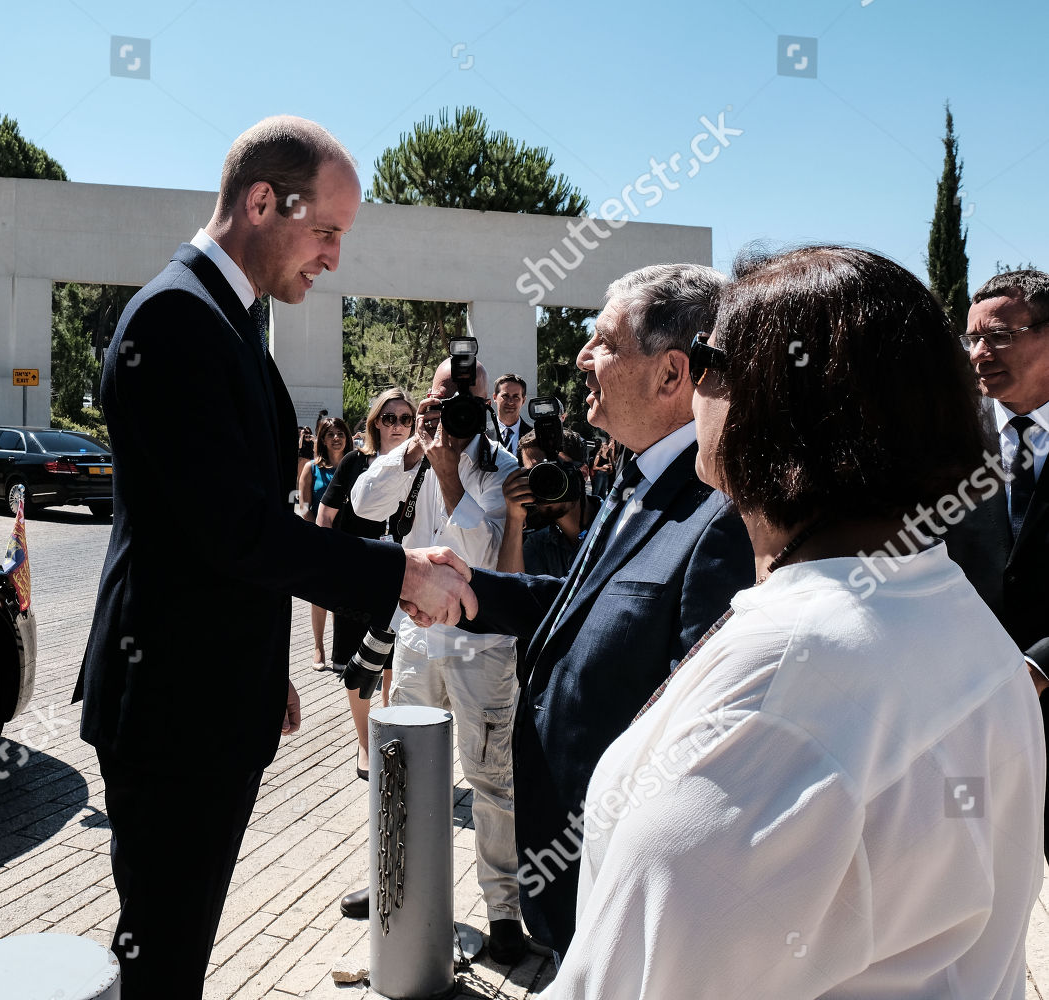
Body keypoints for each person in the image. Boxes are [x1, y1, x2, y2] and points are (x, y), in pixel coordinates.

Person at [543, 246, 1045, 998]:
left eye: (707, 359)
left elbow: (649, 974)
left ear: (771, 402)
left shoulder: (783, 686)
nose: (694, 386)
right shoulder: (952, 615)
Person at [74, 115, 477, 999]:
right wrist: (401, 576)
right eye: (325, 231)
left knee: (174, 942)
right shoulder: (179, 320)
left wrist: (260, 665)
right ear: (262, 201)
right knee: (162, 956)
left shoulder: (226, 317)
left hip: (205, 692)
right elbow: (237, 532)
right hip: (172, 712)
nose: (334, 257)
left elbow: (217, 535)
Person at [414, 263, 755, 958]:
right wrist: (467, 589)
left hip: (620, 879)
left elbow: (695, 737)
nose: (580, 358)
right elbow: (581, 604)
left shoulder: (719, 514)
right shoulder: (634, 472)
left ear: (671, 373)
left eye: (602, 341)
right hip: (569, 870)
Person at [350, 357, 527, 962]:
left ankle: (503, 910)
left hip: (482, 645)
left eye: (464, 397)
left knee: (490, 779)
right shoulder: (413, 460)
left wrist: (450, 472)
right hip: (419, 638)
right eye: (442, 394)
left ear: (482, 406)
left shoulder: (502, 470)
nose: (451, 408)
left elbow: (475, 552)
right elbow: (362, 503)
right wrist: (412, 454)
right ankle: (390, 885)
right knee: (401, 769)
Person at [956, 269, 1049, 859]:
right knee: (965, 877)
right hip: (969, 713)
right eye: (971, 339)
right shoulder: (950, 442)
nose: (980, 353)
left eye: (1000, 336)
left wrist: (1040, 665)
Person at [317, 389, 416, 771]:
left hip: (405, 578)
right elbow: (326, 517)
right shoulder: (356, 462)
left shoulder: (424, 463)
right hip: (359, 575)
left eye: (405, 419)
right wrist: (329, 569)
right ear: (376, 422)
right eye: (389, 418)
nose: (397, 426)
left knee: (396, 667)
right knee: (361, 668)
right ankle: (364, 743)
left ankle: (391, 737)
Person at [497, 428, 603, 578]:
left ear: (583, 473)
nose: (545, 484)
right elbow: (509, 592)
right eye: (536, 475)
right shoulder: (539, 544)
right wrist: (514, 519)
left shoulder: (617, 525)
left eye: (552, 472)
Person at [301, 415, 353, 668]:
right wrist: (321, 533)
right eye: (330, 434)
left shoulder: (357, 465)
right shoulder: (311, 468)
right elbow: (303, 508)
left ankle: (340, 648)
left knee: (343, 598)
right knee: (320, 596)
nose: (335, 438)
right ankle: (318, 648)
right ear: (322, 439)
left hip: (351, 541)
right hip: (321, 541)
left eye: (340, 433)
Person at [493, 372, 527, 453]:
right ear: (495, 397)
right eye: (505, 396)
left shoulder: (535, 434)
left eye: (516, 397)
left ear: (523, 401)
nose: (510, 402)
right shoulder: (481, 434)